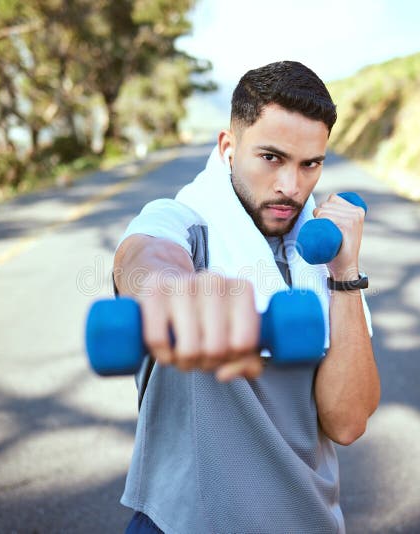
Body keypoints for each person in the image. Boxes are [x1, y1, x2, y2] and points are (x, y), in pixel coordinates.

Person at [113, 60, 380, 534]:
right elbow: (145, 255)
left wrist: (345, 274)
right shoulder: (184, 220)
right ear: (228, 147)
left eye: (310, 164)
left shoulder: (321, 249)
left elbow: (347, 423)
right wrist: (179, 293)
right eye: (272, 158)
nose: (291, 187)